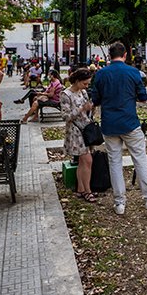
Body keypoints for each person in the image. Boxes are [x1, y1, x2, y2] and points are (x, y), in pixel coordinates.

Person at [92, 42, 147, 213]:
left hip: (109, 124)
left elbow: (95, 99)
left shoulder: (101, 74)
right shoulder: (133, 72)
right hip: (129, 122)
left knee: (115, 162)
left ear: (109, 56)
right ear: (125, 55)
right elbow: (143, 98)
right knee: (139, 159)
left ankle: (119, 203)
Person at [60, 68, 96, 202]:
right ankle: (88, 190)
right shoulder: (66, 94)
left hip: (85, 129)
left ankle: (81, 188)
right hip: (75, 131)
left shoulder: (83, 92)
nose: (86, 86)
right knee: (87, 160)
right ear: (77, 81)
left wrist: (90, 108)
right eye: (84, 83)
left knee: (82, 161)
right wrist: (81, 109)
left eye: (88, 84)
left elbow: (89, 110)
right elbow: (65, 116)